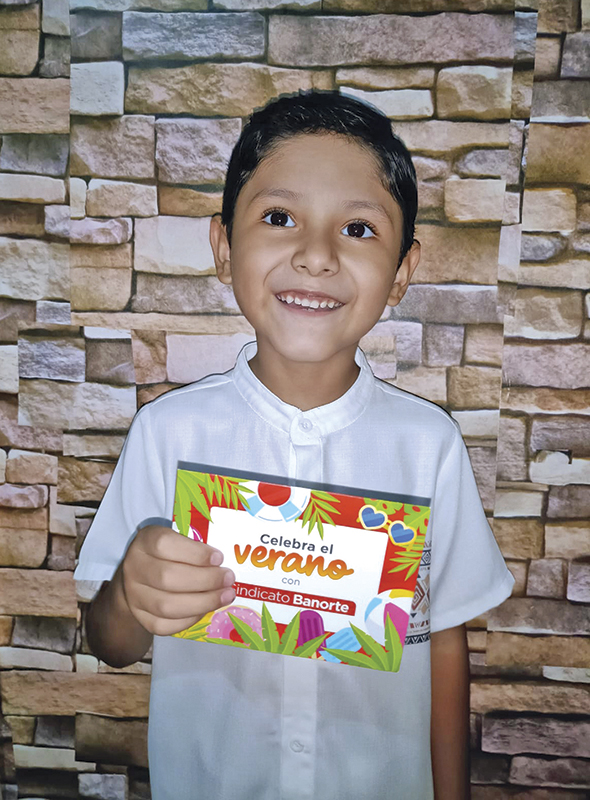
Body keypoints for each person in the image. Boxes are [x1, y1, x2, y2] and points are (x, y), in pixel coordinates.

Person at [75, 89, 514, 800]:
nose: (315, 256)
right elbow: (110, 643)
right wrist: (129, 593)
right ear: (224, 248)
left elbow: (443, 640)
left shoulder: (428, 446)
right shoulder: (169, 433)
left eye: (358, 228)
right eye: (279, 218)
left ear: (402, 272)